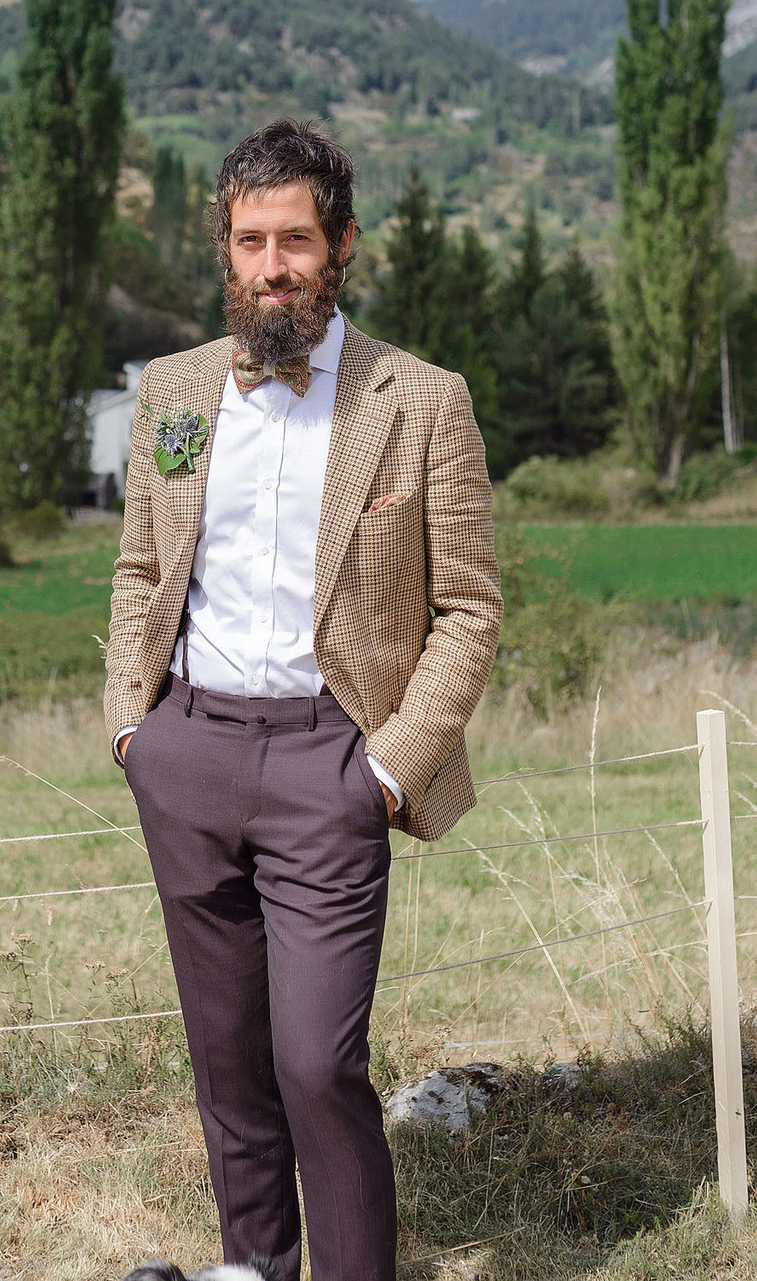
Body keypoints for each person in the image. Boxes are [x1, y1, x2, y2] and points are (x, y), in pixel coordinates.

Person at [106, 118, 501, 1281]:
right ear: (224, 252)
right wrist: (135, 728)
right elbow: (139, 569)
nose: (269, 265)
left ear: (340, 248)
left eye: (293, 240)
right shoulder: (173, 391)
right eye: (247, 241)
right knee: (226, 1058)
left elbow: (470, 610)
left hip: (332, 766)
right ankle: (253, 1267)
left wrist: (386, 767)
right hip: (188, 753)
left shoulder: (419, 401)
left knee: (317, 1064)